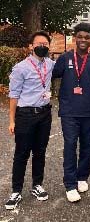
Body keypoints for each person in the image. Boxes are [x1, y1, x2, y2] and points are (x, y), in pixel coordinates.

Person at [53, 23, 90, 202]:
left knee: (87, 146)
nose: (83, 40)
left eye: (86, 37)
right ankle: (70, 184)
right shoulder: (65, 58)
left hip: (89, 111)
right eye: (80, 37)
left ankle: (82, 177)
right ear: (75, 38)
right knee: (70, 145)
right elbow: (50, 75)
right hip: (69, 111)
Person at [6, 31, 54, 209]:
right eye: (39, 43)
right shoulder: (21, 68)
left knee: (40, 152)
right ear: (31, 46)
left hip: (44, 114)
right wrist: (12, 121)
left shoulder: (50, 64)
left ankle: (37, 185)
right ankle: (16, 191)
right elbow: (13, 95)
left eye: (46, 43)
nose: (42, 46)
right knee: (22, 153)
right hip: (25, 115)